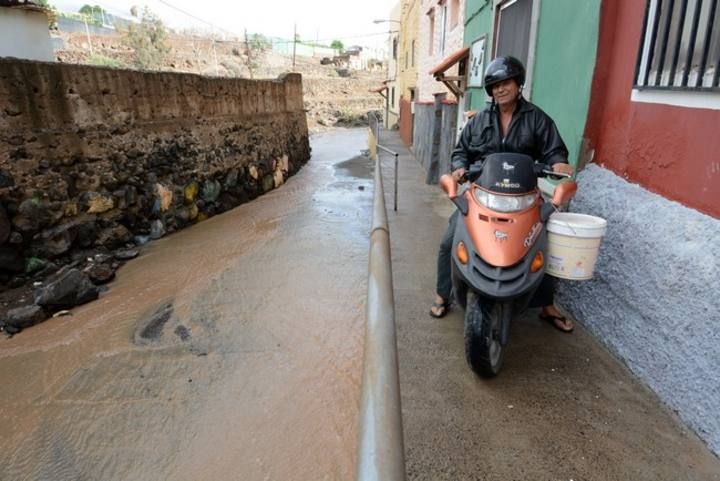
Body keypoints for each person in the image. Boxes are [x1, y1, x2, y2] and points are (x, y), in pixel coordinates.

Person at [429, 56, 574, 333]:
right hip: (482, 193)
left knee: (544, 241)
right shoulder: (479, 120)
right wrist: (459, 168)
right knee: (450, 240)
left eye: (506, 83)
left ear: (518, 84)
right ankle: (442, 294)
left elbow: (555, 150)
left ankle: (546, 305)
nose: (500, 89)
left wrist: (558, 163)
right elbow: (461, 152)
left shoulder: (538, 119)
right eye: (495, 85)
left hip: (524, 196)